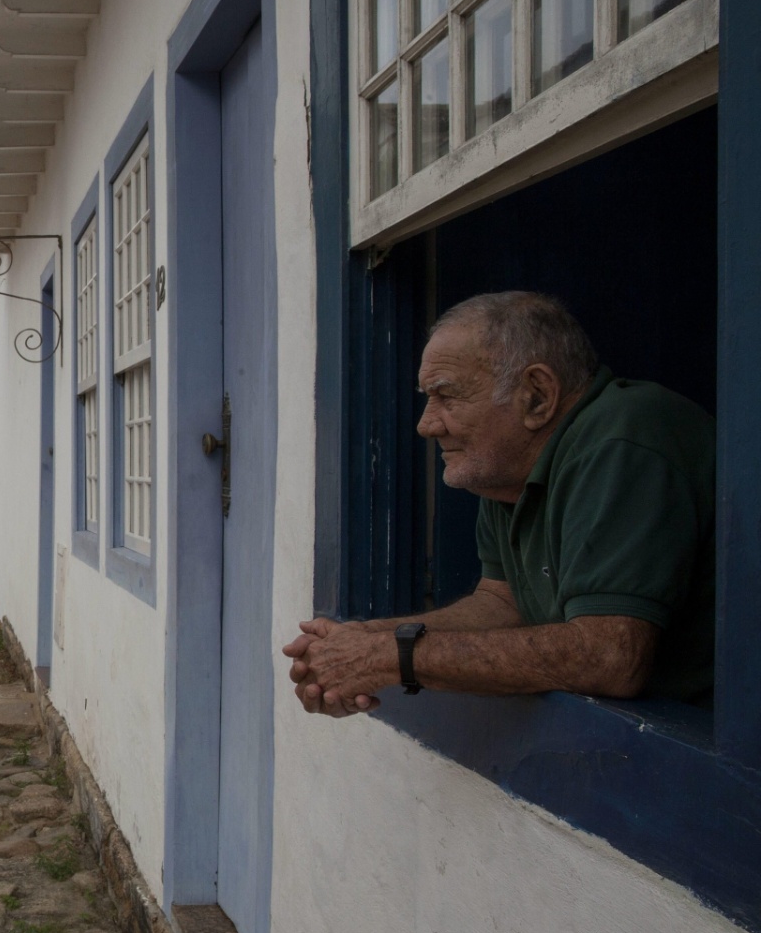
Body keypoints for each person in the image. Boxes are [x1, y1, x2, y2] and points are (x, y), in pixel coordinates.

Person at [284, 291, 715, 716]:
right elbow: (502, 605)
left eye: (447, 396)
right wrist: (360, 642)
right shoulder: (510, 466)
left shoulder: (623, 440)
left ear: (537, 396)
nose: (426, 424)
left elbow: (609, 656)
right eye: (426, 398)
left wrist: (386, 657)